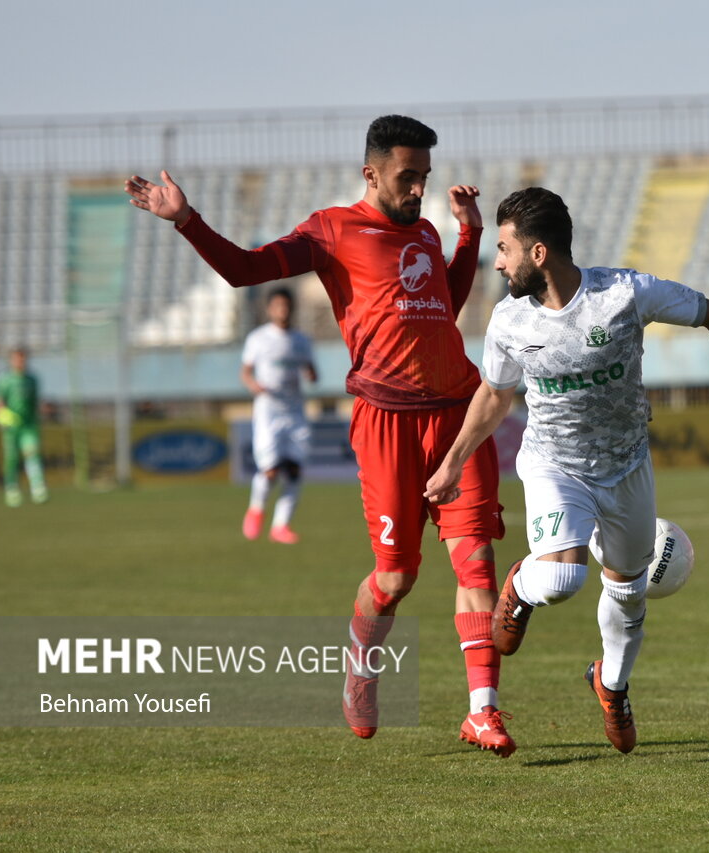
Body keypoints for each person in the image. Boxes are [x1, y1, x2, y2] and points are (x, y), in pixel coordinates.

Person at [125, 115, 516, 756]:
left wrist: (468, 234)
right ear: (371, 173)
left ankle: (482, 711)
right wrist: (186, 220)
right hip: (386, 421)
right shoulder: (331, 231)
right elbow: (245, 270)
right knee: (395, 580)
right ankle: (361, 662)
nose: (419, 189)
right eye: (407, 176)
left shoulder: (424, 231)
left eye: (424, 176)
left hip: (455, 413)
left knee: (475, 558)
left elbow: (444, 304)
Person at [425, 187, 709, 753]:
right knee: (562, 579)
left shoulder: (624, 293)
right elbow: (494, 394)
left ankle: (610, 685)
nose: (499, 263)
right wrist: (453, 463)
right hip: (554, 463)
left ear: (539, 254)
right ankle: (522, 585)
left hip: (627, 464)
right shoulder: (508, 320)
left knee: (630, 591)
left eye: (506, 249)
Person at [240, 287, 318, 544]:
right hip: (268, 410)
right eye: (278, 306)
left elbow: (311, 370)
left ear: (292, 308)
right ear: (270, 309)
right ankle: (256, 509)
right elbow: (246, 372)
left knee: (294, 469)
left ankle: (281, 526)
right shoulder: (258, 338)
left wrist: (311, 375)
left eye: (286, 306)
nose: (282, 310)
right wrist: (253, 385)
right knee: (271, 470)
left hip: (294, 410)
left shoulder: (301, 340)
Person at [0, 346, 48, 508]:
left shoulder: (32, 380)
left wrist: (42, 412)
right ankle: (12, 489)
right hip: (11, 429)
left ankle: (38, 488)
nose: (20, 362)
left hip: (29, 426)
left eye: (23, 358)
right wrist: (3, 415)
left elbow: (36, 402)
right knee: (12, 458)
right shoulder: (5, 380)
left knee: (32, 454)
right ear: (11, 360)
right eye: (17, 358)